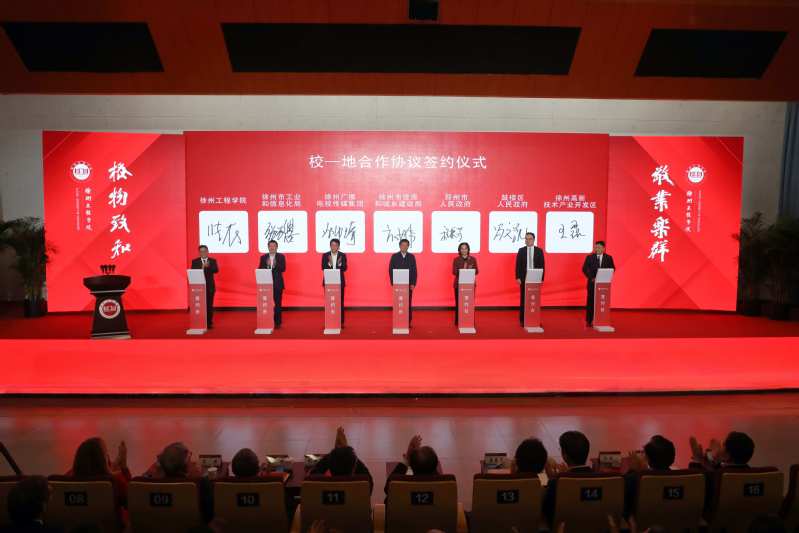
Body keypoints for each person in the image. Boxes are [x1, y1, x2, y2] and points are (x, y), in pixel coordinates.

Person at [689, 431, 756, 513]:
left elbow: (694, 488)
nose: (720, 447)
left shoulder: (719, 477)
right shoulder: (752, 474)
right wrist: (708, 459)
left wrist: (698, 460)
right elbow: (716, 469)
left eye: (723, 445)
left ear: (727, 455)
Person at [66, 437, 131, 519]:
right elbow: (131, 500)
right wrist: (124, 467)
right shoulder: (115, 482)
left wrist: (112, 467)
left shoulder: (68, 479)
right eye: (106, 455)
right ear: (102, 462)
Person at [544, 431, 592, 525]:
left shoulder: (557, 483)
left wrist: (554, 479)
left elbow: (548, 510)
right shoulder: (604, 478)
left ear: (565, 455)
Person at [623, 435, 676, 516]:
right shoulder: (677, 479)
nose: (641, 454)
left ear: (647, 459)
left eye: (643, 452)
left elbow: (624, 504)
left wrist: (633, 470)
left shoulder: (633, 480)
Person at [310, 427, 373, 492]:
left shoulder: (316, 485)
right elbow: (369, 481)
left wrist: (330, 456)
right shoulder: (364, 484)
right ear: (354, 467)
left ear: (330, 466)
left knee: (311, 459)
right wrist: (353, 457)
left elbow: (312, 474)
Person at [581, 240, 615, 327]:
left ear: (604, 248)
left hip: (604, 285)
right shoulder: (589, 257)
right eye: (596, 247)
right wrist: (591, 277)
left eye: (599, 247)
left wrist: (606, 276)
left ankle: (602, 319)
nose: (597, 249)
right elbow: (585, 269)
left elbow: (612, 269)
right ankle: (589, 320)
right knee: (590, 302)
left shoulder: (608, 258)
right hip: (592, 284)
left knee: (602, 302)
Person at [515, 232, 545, 326]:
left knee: (535, 299)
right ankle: (523, 320)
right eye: (526, 239)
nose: (528, 240)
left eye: (530, 239)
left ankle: (535, 319)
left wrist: (541, 278)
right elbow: (518, 265)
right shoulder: (521, 250)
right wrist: (518, 277)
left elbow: (542, 265)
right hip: (524, 277)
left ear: (534, 240)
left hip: (536, 277)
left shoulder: (539, 251)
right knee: (524, 299)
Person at [388, 239, 418, 325]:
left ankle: (408, 321)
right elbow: (390, 270)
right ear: (399, 246)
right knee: (398, 303)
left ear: (408, 246)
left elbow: (414, 271)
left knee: (408, 303)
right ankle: (399, 321)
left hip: (408, 284)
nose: (404, 247)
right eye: (402, 245)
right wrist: (393, 283)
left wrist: (413, 283)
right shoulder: (394, 256)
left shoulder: (411, 257)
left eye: (406, 245)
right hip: (398, 284)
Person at [258, 240, 287, 328]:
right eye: (270, 246)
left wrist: (274, 265)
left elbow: (283, 268)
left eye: (274, 246)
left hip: (278, 284)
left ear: (277, 247)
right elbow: (260, 269)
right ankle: (266, 321)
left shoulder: (281, 257)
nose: (272, 247)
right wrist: (266, 266)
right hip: (266, 284)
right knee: (266, 304)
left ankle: (277, 323)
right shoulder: (263, 257)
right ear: (268, 247)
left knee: (278, 304)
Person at [190, 245, 219, 329]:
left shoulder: (212, 261)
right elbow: (193, 272)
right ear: (199, 252)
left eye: (205, 251)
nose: (203, 253)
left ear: (207, 252)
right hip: (198, 287)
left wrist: (208, 267)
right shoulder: (195, 261)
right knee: (200, 305)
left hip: (210, 287)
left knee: (209, 305)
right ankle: (199, 322)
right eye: (201, 251)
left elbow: (216, 270)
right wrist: (202, 267)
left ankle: (209, 323)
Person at [321, 238, 348, 326]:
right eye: (332, 245)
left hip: (340, 281)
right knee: (329, 302)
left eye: (336, 245)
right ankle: (330, 320)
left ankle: (341, 322)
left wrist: (338, 266)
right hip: (328, 281)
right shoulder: (325, 255)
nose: (334, 247)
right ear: (330, 246)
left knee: (340, 302)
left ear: (338, 246)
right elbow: (323, 267)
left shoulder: (342, 255)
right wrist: (330, 265)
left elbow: (345, 268)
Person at [452, 242, 478, 326]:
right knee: (459, 304)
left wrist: (470, 270)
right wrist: (464, 270)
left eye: (465, 248)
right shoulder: (456, 259)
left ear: (468, 249)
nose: (464, 250)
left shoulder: (473, 259)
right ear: (459, 250)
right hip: (458, 284)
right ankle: (458, 321)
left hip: (470, 284)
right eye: (462, 248)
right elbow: (454, 272)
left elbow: (477, 271)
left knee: (469, 304)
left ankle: (469, 320)